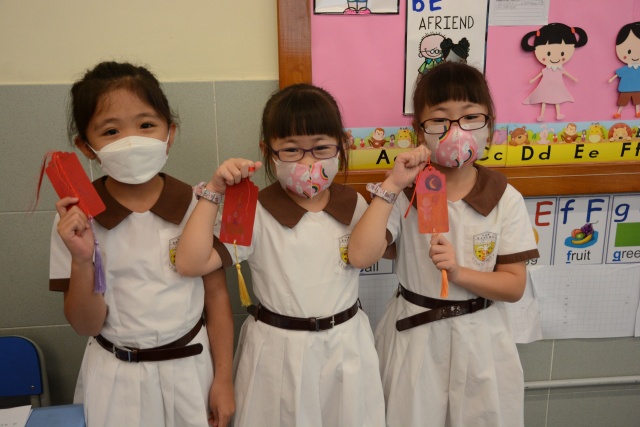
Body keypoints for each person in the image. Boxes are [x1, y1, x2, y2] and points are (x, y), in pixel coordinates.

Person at [175, 83, 385, 427]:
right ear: (267, 151)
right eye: (291, 150)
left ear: (342, 144)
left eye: (320, 148)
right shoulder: (253, 209)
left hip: (347, 346)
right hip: (278, 354)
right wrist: (214, 190)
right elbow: (190, 262)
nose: (308, 161)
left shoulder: (356, 204)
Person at [348, 61, 540, 427]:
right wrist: (392, 185)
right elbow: (359, 255)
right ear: (419, 131)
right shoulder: (406, 191)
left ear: (489, 125)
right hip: (415, 338)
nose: (455, 131)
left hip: (482, 339)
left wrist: (459, 272)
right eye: (439, 120)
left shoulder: (504, 197)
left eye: (470, 117)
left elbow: (514, 286)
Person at [49, 61, 235, 427]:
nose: (131, 141)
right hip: (115, 378)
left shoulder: (199, 205)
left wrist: (224, 379)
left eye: (146, 125)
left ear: (170, 133)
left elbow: (216, 299)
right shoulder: (75, 220)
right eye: (111, 131)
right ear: (86, 147)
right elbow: (86, 325)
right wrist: (82, 260)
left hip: (191, 373)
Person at [521, 23, 588, 121]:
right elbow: (541, 74)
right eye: (548, 53)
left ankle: (558, 114)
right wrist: (533, 79)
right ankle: (542, 115)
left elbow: (566, 74)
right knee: (544, 98)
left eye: (562, 53)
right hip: (545, 86)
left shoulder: (559, 69)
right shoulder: (547, 69)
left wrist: (573, 78)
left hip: (557, 86)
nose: (555, 58)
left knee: (557, 98)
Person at [608, 22, 640, 119]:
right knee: (622, 100)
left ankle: (637, 112)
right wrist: (611, 79)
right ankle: (619, 113)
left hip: (637, 87)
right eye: (629, 51)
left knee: (637, 101)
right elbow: (618, 74)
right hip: (626, 87)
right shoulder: (626, 68)